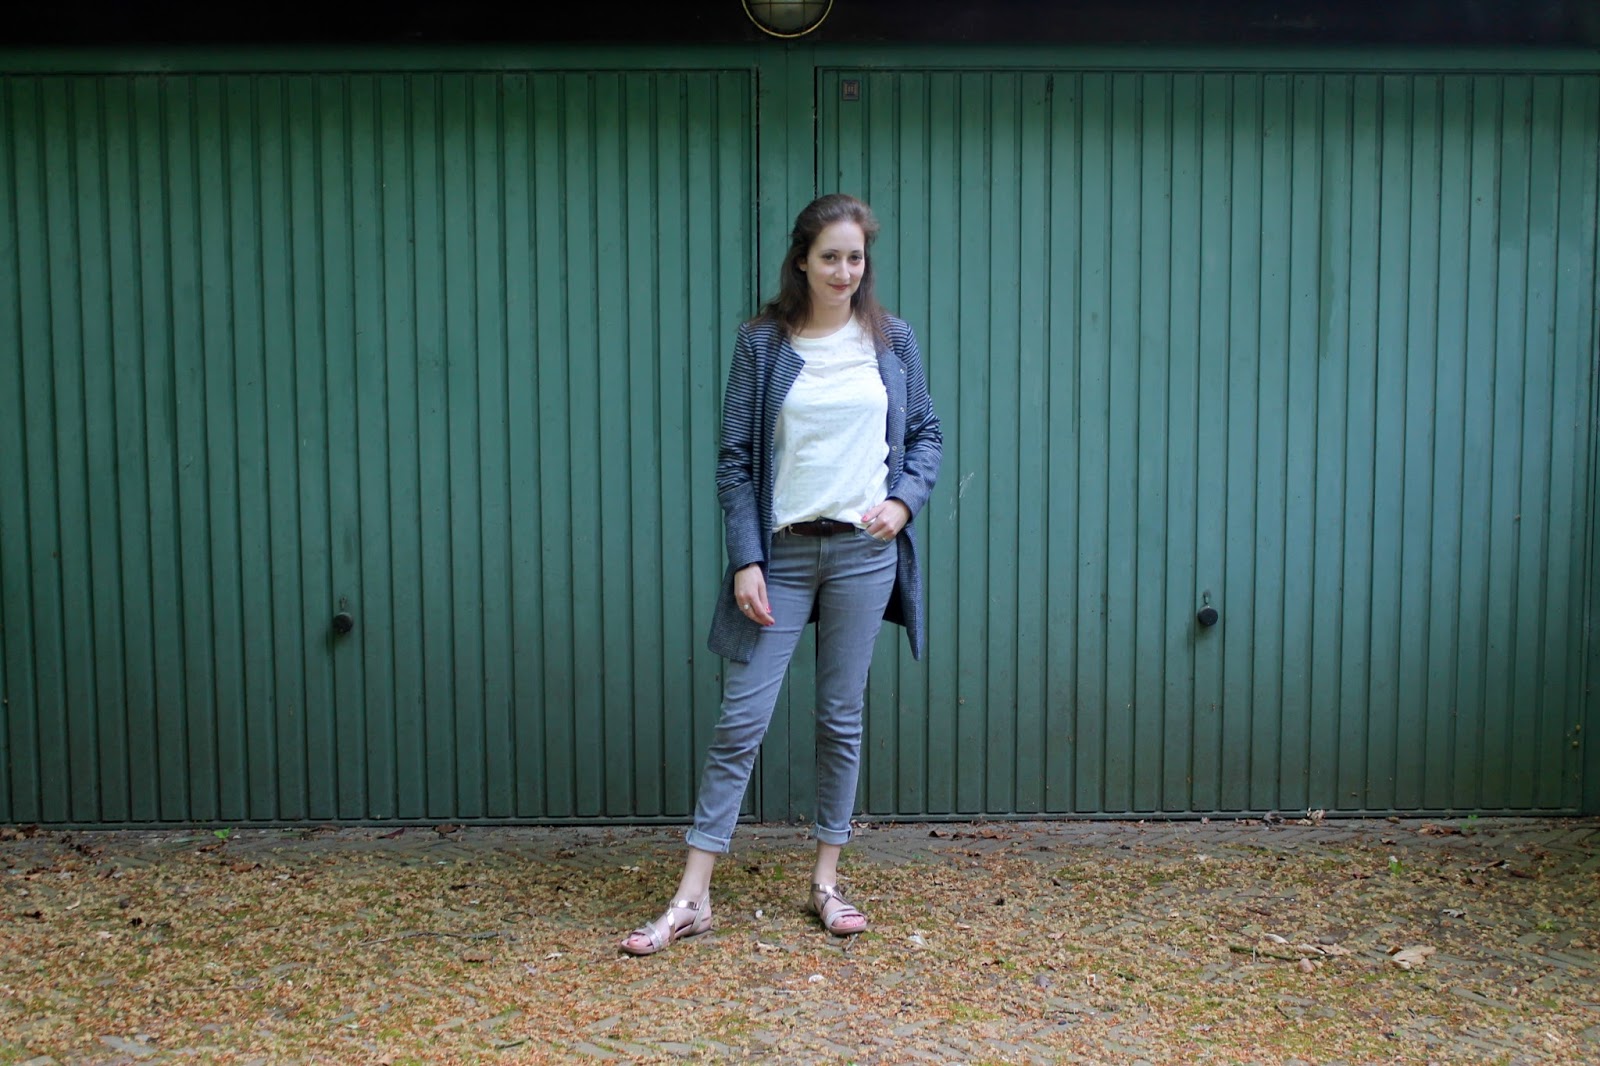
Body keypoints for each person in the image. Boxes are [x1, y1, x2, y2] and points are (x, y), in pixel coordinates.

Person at [620, 193, 942, 956]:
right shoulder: (762, 343)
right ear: (801, 260)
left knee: (840, 718)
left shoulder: (892, 339)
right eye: (829, 257)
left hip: (864, 553)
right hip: (784, 555)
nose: (844, 271)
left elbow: (926, 433)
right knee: (741, 721)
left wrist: (903, 501)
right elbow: (735, 460)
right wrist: (746, 558)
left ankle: (826, 883)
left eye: (855, 257)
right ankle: (692, 898)